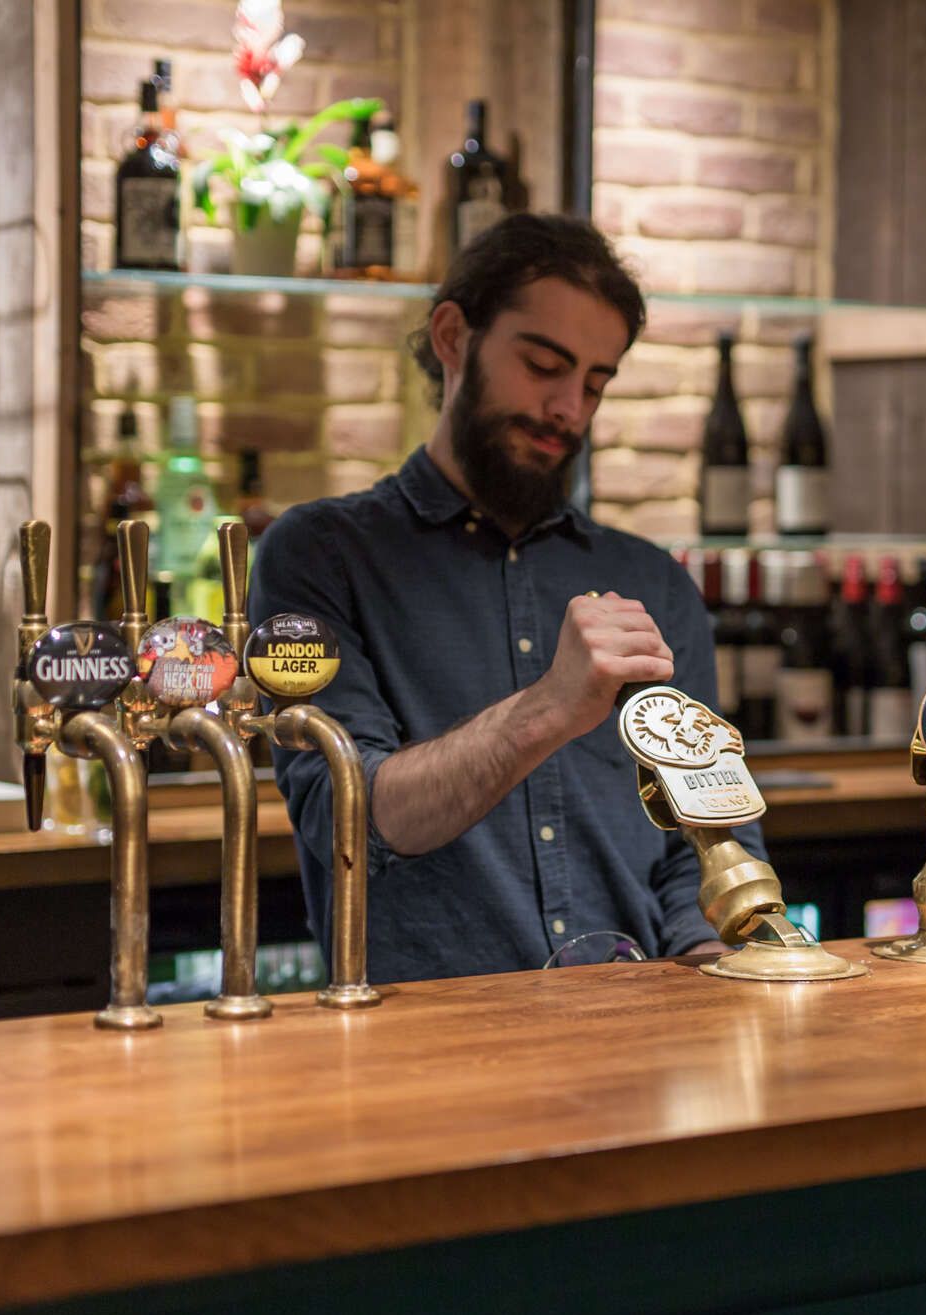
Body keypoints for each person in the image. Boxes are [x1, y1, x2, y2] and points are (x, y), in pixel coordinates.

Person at [250, 214, 762, 983]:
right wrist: (549, 707)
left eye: (595, 381)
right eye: (544, 365)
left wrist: (711, 973)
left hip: (634, 1038)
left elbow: (707, 838)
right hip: (424, 1048)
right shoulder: (319, 557)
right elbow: (350, 818)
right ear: (454, 337)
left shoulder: (653, 582)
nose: (569, 409)